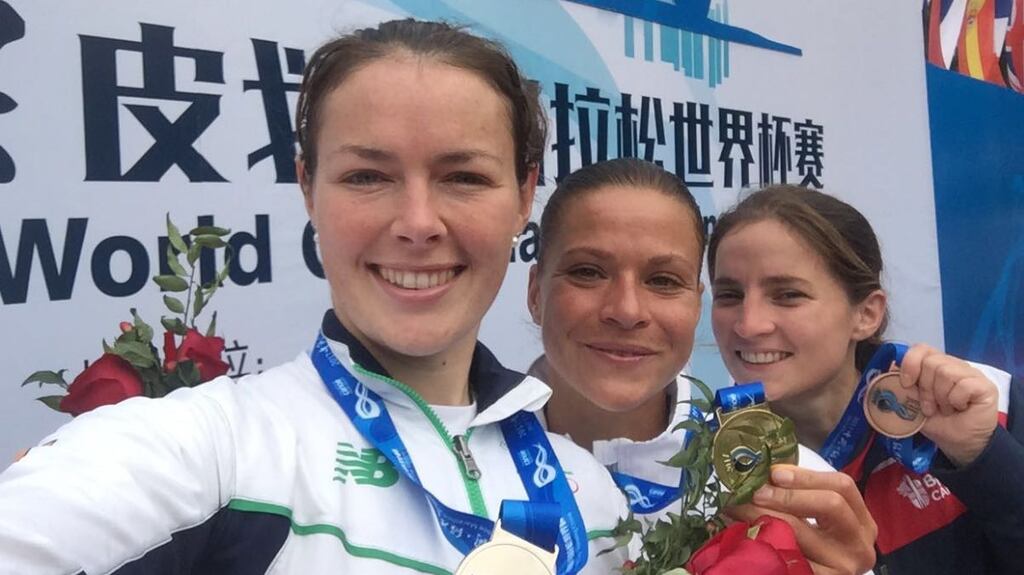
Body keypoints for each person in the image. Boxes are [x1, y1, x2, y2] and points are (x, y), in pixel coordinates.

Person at [0, 20, 632, 574]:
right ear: (308, 188)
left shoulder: (593, 501)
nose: (418, 222)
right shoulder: (221, 452)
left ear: (524, 196)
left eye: (463, 177)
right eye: (367, 176)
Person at [527, 159, 877, 574]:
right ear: (535, 293)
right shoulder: (449, 470)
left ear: (696, 302)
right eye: (588, 272)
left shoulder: (791, 483)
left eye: (662, 280)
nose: (626, 311)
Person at [707, 184, 1024, 574]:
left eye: (788, 295)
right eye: (728, 295)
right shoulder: (704, 465)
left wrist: (985, 457)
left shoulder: (987, 407)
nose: (748, 324)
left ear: (866, 315)